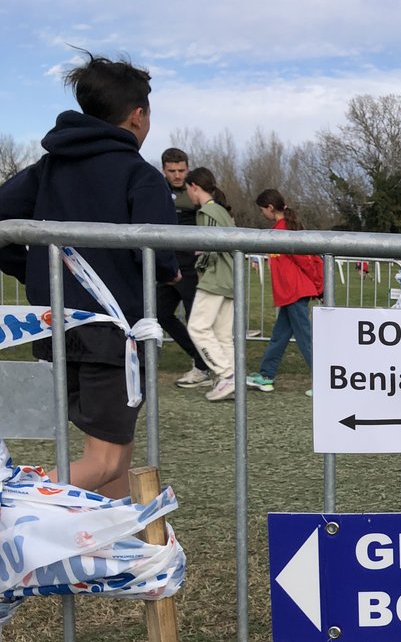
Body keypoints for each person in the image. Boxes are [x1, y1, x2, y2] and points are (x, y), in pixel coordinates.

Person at [0, 52, 178, 498]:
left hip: (54, 326)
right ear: (138, 117)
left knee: (115, 451)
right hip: (110, 333)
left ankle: (111, 550)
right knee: (106, 459)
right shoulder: (141, 176)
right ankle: (14, 506)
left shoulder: (47, 170)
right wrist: (171, 274)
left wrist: (36, 274)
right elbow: (162, 259)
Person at [246, 188, 323, 396]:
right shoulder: (283, 228)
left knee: (305, 338)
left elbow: (307, 261)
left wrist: (318, 286)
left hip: (296, 293)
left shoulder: (284, 230)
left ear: (270, 208)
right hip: (290, 294)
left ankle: (324, 381)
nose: (262, 213)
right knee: (279, 337)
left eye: (262, 210)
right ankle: (267, 375)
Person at [157, 148, 212, 388]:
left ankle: (206, 368)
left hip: (191, 270)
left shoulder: (195, 193)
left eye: (181, 170)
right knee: (160, 314)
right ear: (164, 170)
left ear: (187, 169)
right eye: (172, 171)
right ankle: (202, 362)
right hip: (167, 268)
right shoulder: (156, 192)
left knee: (196, 322)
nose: (177, 175)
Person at [184, 167, 238, 402]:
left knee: (197, 327)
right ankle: (230, 379)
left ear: (194, 186)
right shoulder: (222, 211)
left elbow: (210, 247)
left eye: (188, 190)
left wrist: (201, 266)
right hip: (230, 278)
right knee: (222, 334)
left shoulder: (207, 212)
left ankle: (225, 375)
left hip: (215, 278)